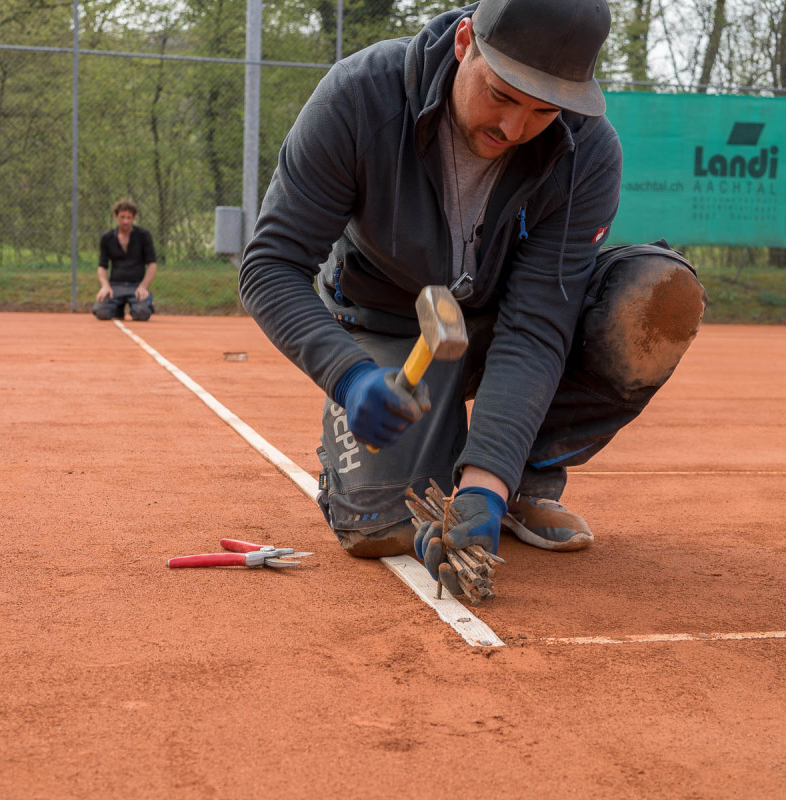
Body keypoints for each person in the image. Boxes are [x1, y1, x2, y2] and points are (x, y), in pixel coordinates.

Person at [239, 0, 707, 594]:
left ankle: (520, 477)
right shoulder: (359, 99)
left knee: (653, 298)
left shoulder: (586, 152)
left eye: (543, 110)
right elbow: (270, 265)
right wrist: (349, 375)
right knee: (383, 526)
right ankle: (430, 454)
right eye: (502, 94)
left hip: (499, 326)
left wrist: (486, 485)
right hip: (391, 328)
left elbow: (537, 325)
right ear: (465, 41)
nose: (513, 128)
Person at [93, 199, 157, 321]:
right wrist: (105, 286)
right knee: (102, 313)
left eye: (129, 218)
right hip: (114, 287)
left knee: (141, 314)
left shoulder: (144, 235)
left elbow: (152, 265)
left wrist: (143, 286)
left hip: (136, 287)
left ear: (134, 218)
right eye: (122, 217)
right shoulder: (106, 238)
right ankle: (117, 308)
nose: (126, 221)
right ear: (115, 216)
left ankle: (144, 304)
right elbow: (102, 266)